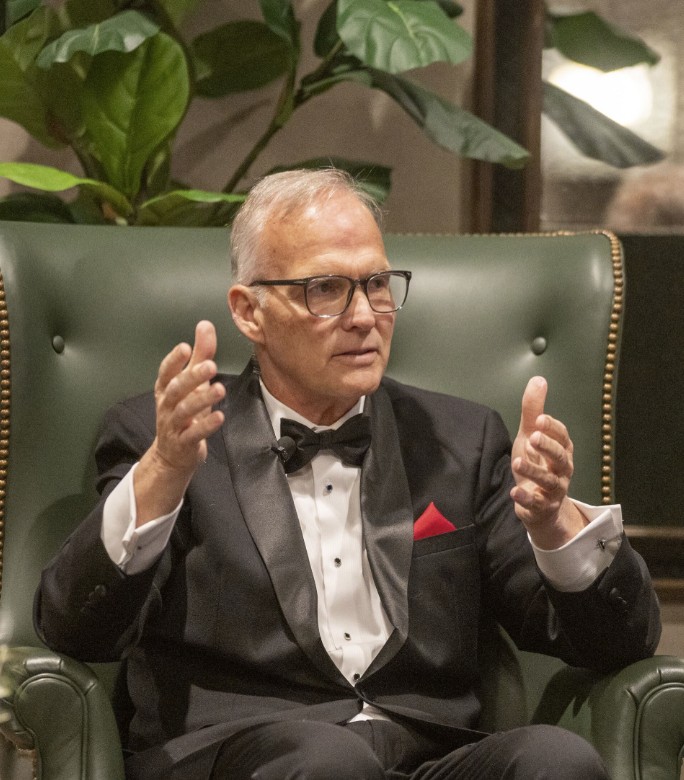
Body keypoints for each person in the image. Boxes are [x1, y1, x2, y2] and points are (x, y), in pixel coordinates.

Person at [35, 168, 661, 780]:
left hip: (427, 753)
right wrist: (164, 475)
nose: (364, 315)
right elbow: (78, 629)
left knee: (557, 760)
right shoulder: (167, 438)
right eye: (327, 289)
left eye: (378, 284)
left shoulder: (461, 441)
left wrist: (555, 527)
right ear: (249, 312)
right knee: (327, 761)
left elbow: (616, 646)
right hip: (247, 754)